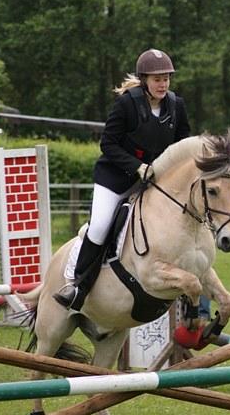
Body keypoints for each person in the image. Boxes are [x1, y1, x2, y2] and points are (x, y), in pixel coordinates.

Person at [54, 48, 190, 310]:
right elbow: (108, 144)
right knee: (100, 226)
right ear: (144, 80)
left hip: (154, 184)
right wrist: (137, 166)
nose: (163, 84)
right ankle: (77, 287)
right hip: (115, 179)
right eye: (157, 79)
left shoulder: (176, 105)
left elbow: (182, 146)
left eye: (166, 79)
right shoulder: (127, 103)